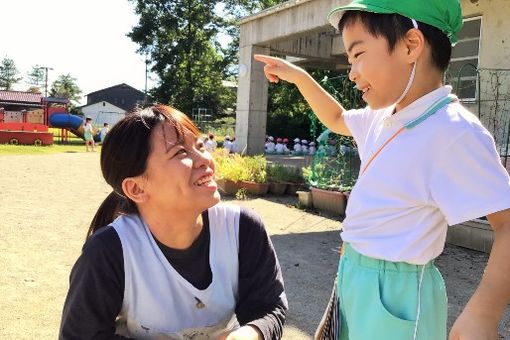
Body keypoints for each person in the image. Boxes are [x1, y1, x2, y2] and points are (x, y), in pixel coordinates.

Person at [255, 1, 510, 339]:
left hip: (398, 291)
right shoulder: (383, 116)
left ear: (410, 45)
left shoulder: (454, 130)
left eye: (358, 55)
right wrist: (299, 76)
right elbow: (336, 118)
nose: (352, 72)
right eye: (349, 59)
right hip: (352, 274)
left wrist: (483, 313)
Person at [59, 105, 287, 339]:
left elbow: (268, 306)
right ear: (136, 188)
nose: (204, 160)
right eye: (180, 152)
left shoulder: (242, 228)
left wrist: (248, 335)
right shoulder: (109, 251)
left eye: (199, 146)